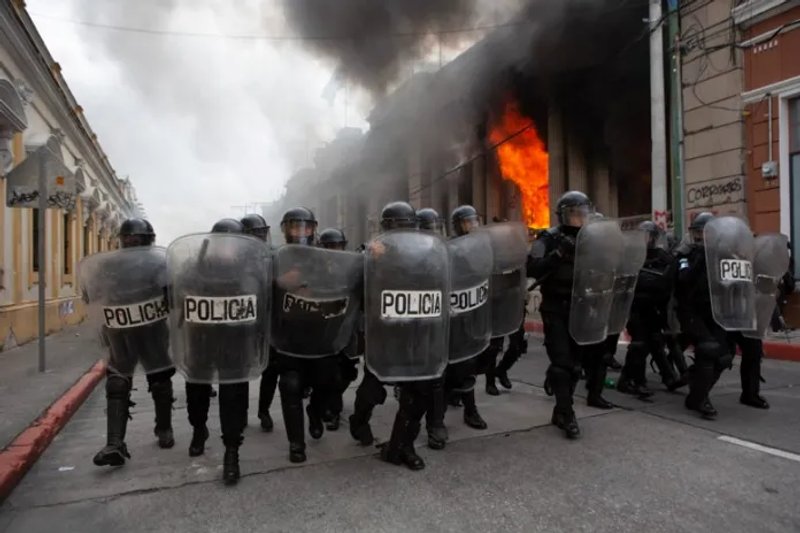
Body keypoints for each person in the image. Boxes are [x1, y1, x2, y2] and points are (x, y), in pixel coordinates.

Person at [179, 218, 270, 484]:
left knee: (234, 397)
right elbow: (176, 293)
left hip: (236, 341)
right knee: (196, 391)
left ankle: (232, 452)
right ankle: (199, 429)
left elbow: (264, 301)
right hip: (202, 339)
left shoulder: (253, 268)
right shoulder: (194, 267)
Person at [84, 218, 176, 467]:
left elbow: (171, 293)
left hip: (152, 330)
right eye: (130, 238)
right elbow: (90, 293)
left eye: (135, 238)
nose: (132, 242)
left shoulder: (159, 262)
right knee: (117, 383)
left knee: (159, 382)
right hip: (121, 332)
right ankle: (115, 443)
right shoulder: (108, 265)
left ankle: (164, 427)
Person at [527, 191, 612, 439]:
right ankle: (567, 413)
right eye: (574, 213)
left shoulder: (593, 239)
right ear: (563, 215)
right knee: (563, 364)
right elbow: (531, 267)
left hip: (584, 306)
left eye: (582, 212)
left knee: (576, 365)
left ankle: (560, 408)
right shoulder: (548, 238)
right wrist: (557, 254)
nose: (579, 218)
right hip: (556, 307)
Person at [617, 221, 683, 397]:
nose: (643, 239)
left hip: (656, 308)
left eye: (647, 235)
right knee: (639, 344)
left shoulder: (663, 257)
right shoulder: (631, 255)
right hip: (636, 307)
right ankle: (637, 382)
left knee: (655, 341)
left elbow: (670, 279)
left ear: (654, 237)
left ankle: (665, 377)